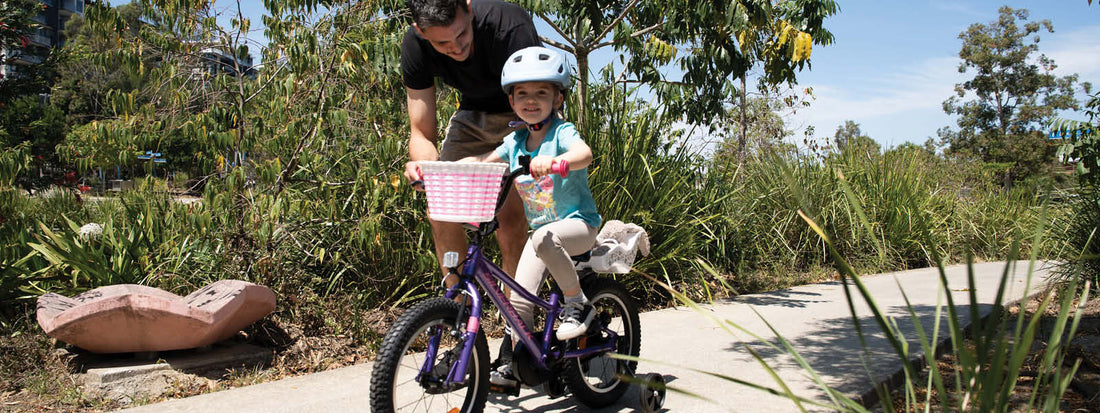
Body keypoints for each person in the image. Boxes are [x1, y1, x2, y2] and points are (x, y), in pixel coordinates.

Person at [400, 0, 541, 370]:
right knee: (440, 208)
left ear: (467, 7)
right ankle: (464, 332)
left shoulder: (509, 26)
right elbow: (420, 131)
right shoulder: (414, 45)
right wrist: (424, 166)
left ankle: (516, 338)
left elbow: (539, 103)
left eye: (462, 34)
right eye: (443, 45)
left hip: (521, 116)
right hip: (471, 118)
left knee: (508, 219)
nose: (457, 48)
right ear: (420, 31)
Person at [462, 46, 602, 387]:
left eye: (542, 92)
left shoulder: (561, 132)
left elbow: (584, 153)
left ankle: (578, 303)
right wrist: (448, 169)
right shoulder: (515, 141)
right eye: (521, 93)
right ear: (511, 102)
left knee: (543, 237)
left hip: (579, 225)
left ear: (557, 98)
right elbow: (483, 162)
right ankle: (515, 366)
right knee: (518, 301)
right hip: (542, 235)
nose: (530, 100)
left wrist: (558, 162)